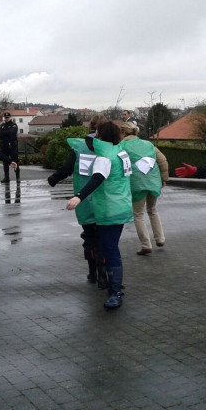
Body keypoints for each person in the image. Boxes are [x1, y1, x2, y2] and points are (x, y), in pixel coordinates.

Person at [66, 121, 133, 310]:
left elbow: (97, 179)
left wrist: (79, 197)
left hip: (109, 209)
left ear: (100, 136)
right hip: (122, 206)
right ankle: (115, 285)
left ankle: (115, 292)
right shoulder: (121, 152)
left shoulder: (105, 157)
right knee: (110, 248)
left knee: (109, 249)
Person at [48, 114, 108, 289]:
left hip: (82, 199)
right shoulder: (108, 147)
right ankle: (104, 275)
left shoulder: (78, 147)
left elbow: (67, 168)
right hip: (105, 200)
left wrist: (54, 178)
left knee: (89, 238)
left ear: (89, 127)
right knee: (104, 239)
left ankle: (92, 273)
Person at [119, 121, 167, 255]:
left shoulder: (122, 146)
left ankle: (146, 244)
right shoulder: (148, 144)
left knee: (138, 214)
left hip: (136, 184)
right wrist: (164, 178)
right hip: (153, 181)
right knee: (152, 210)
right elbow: (162, 160)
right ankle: (160, 238)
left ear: (123, 133)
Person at [0, 112, 20, 184]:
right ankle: (6, 178)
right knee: (5, 162)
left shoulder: (14, 125)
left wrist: (4, 133)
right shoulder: (2, 125)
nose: (6, 119)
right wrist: (6, 133)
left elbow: (12, 133)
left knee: (15, 162)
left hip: (12, 146)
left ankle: (17, 178)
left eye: (8, 117)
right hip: (5, 146)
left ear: (10, 117)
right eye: (5, 117)